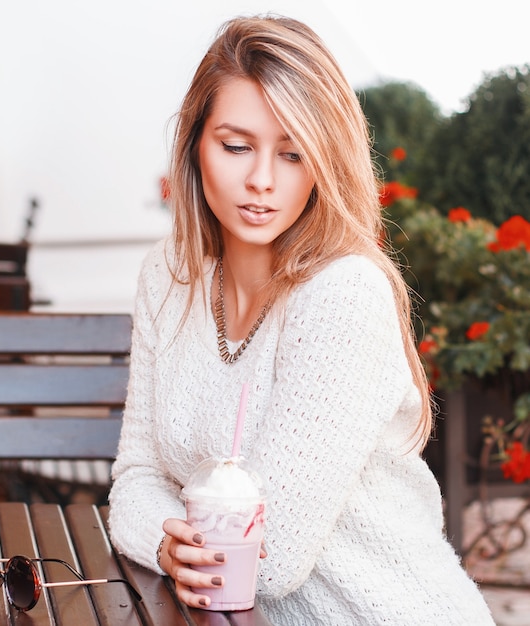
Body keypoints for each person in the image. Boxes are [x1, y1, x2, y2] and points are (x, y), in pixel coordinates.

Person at [108, 14, 495, 625]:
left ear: (323, 161)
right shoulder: (170, 275)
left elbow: (270, 558)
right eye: (236, 146)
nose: (261, 180)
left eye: (292, 154)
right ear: (194, 143)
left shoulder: (343, 296)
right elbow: (134, 479)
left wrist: (186, 538)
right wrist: (166, 541)